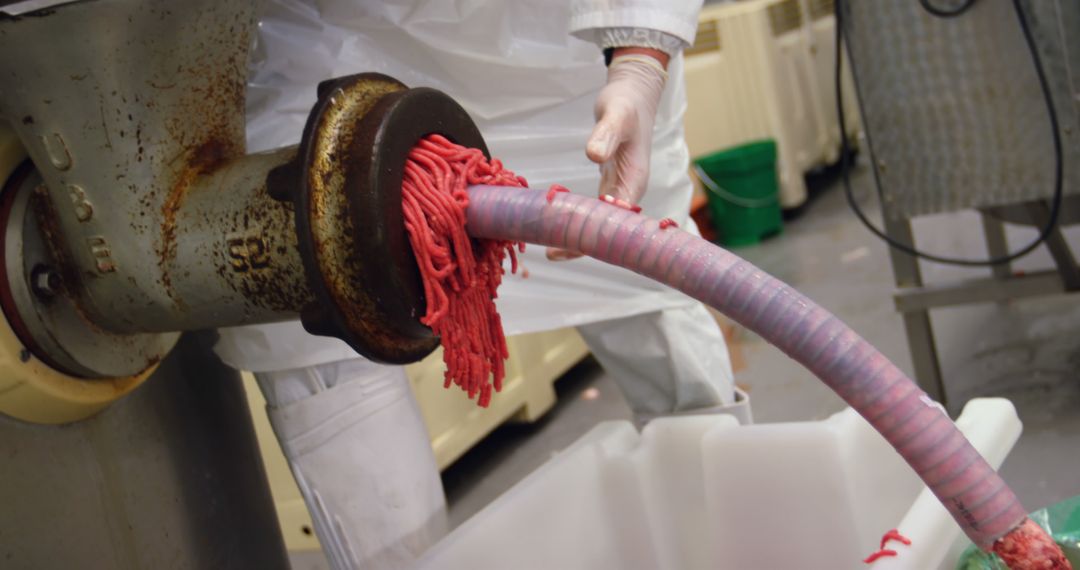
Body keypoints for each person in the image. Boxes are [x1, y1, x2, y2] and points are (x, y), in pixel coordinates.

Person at [213, 1, 749, 568]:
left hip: (570, 62)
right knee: (313, 300)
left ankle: (726, 541)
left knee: (648, 285)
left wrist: (641, 56)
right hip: (324, 45)